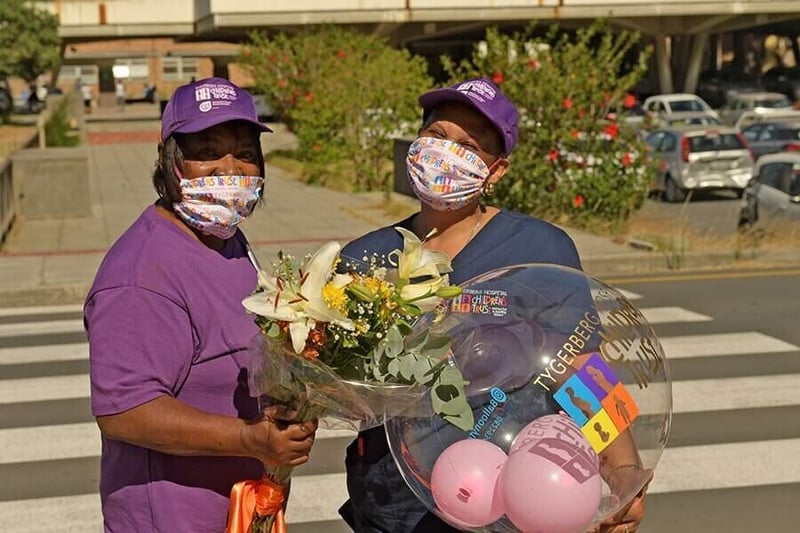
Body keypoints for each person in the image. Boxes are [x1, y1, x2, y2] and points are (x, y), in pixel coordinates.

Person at [338, 77, 649, 533]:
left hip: (507, 495)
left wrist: (623, 471)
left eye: (469, 146)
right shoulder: (364, 258)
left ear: (496, 171)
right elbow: (335, 384)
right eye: (437, 136)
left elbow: (583, 368)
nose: (446, 152)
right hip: (393, 500)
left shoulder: (541, 249)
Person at [84, 77, 317, 532]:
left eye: (245, 154)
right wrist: (251, 439)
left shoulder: (226, 239)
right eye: (207, 152)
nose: (228, 169)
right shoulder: (141, 275)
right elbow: (124, 411)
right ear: (172, 163)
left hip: (241, 512)